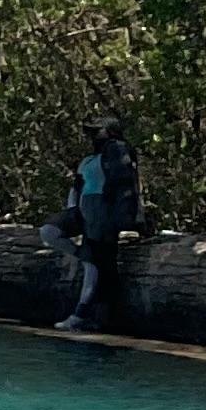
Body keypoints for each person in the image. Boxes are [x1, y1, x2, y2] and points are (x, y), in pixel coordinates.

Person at [59, 117, 142, 332]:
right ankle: (95, 315)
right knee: (98, 263)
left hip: (104, 217)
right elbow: (76, 188)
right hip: (90, 216)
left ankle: (87, 314)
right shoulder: (90, 159)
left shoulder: (117, 149)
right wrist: (73, 213)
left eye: (99, 132)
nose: (95, 137)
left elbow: (127, 185)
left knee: (100, 263)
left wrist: (129, 218)